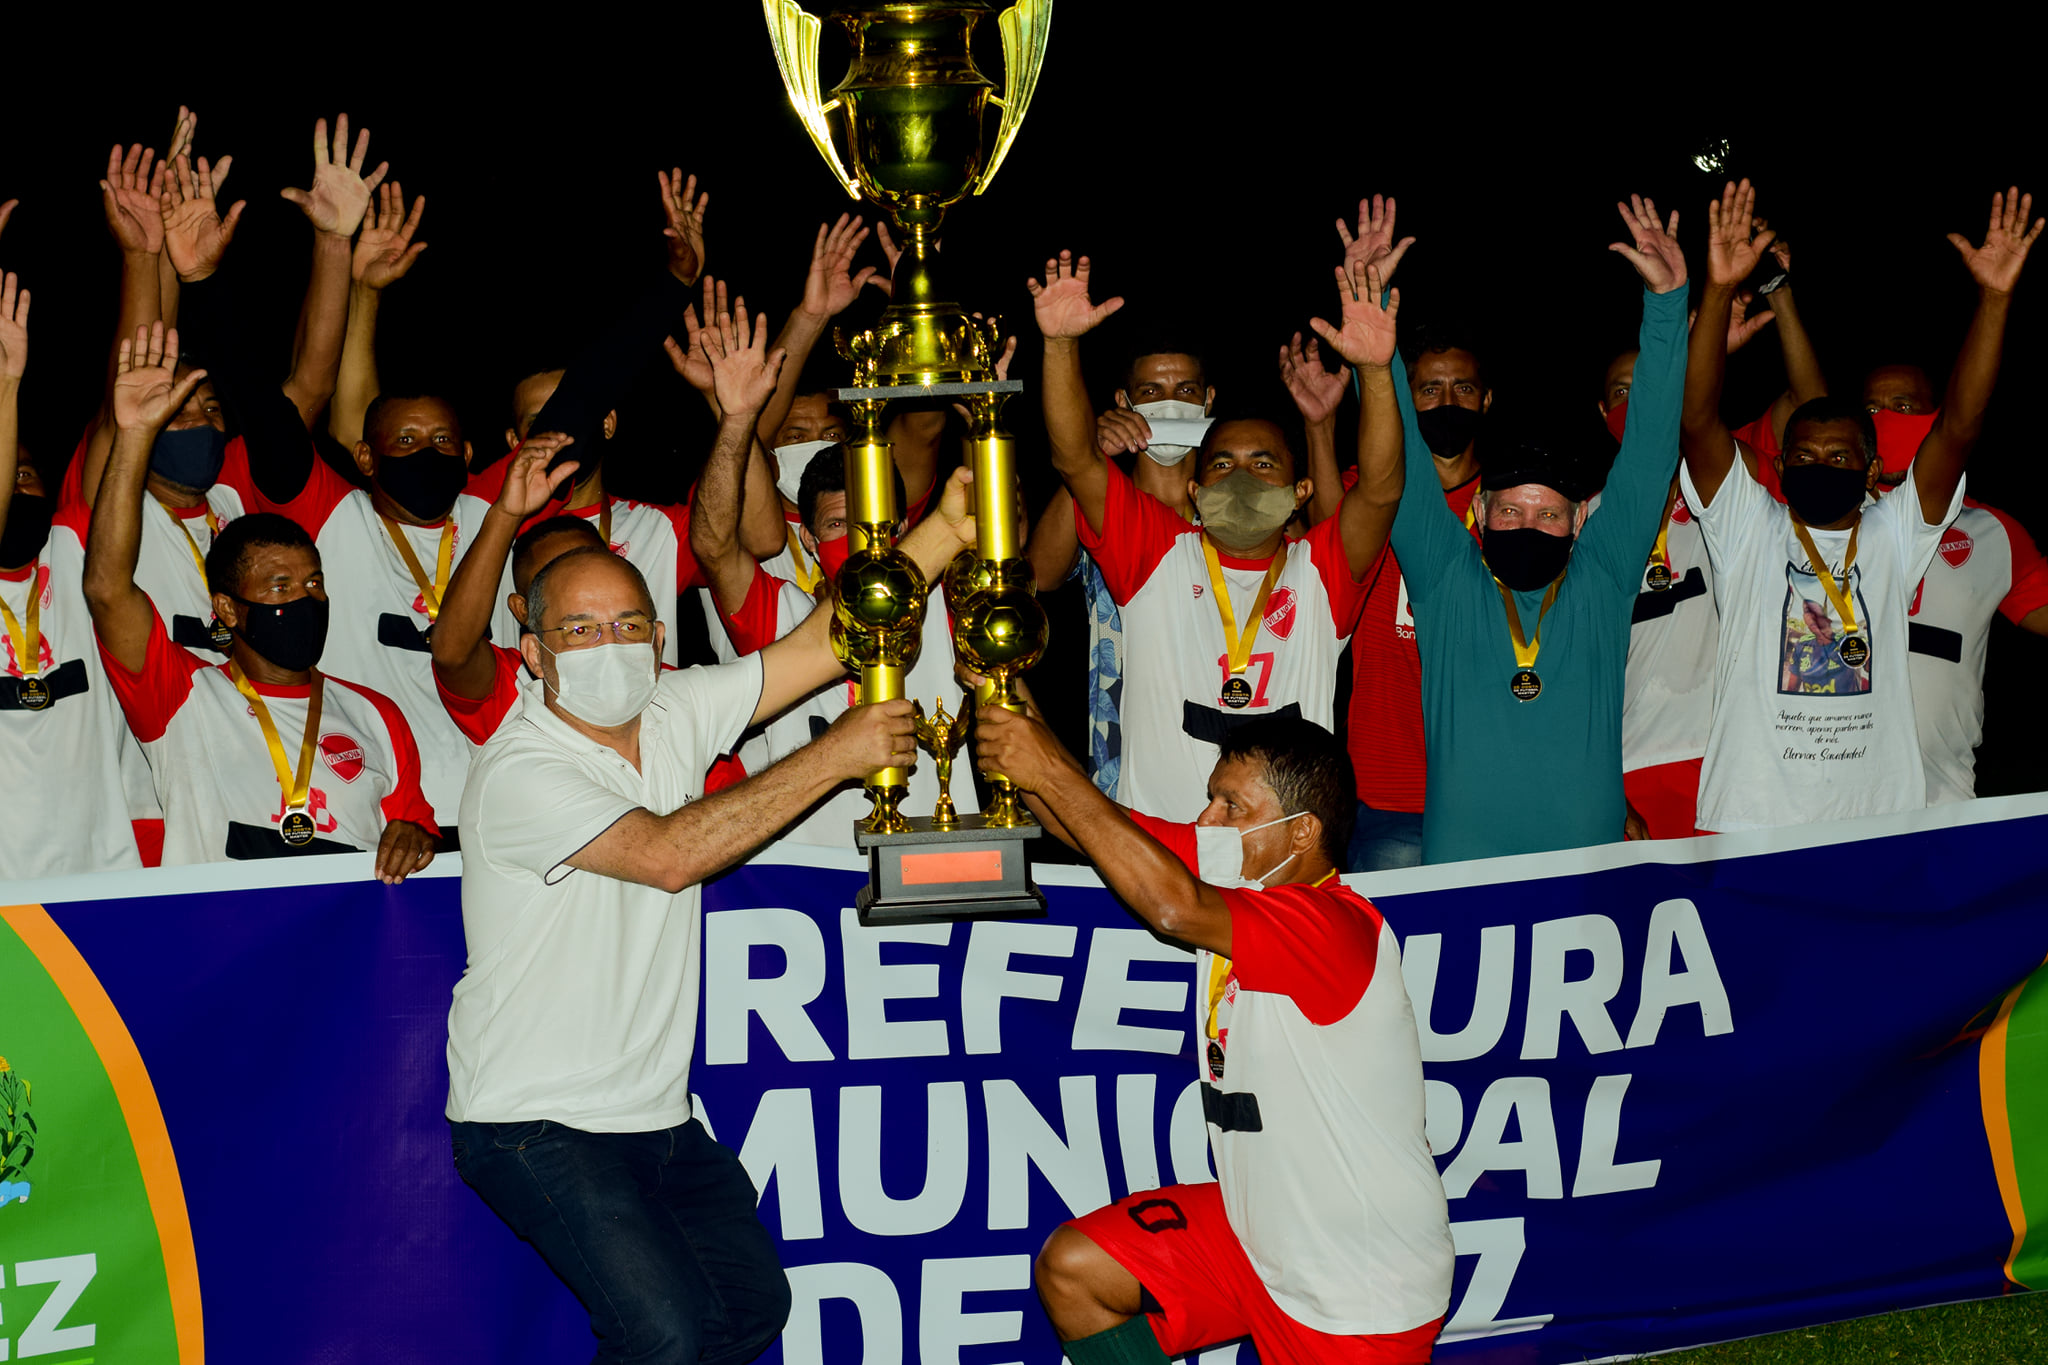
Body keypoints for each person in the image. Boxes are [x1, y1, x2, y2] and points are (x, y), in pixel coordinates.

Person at [444, 452, 984, 1365]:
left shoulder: (673, 707)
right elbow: (668, 854)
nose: (607, 645)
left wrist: (948, 530)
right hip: (534, 1120)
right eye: (577, 629)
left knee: (747, 1307)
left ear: (658, 638)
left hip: (655, 1113)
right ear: (531, 651)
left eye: (626, 624)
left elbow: (823, 644)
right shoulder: (519, 767)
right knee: (663, 1334)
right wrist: (834, 758)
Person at [970, 701, 1451, 1364]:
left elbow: (1171, 905)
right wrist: (1005, 697)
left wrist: (1048, 767)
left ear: (1302, 831)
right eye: (1208, 801)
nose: (1206, 820)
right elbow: (1091, 827)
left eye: (1231, 806)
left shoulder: (1332, 925)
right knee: (1075, 1268)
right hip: (1260, 1233)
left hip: (1357, 1287)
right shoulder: (1241, 868)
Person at [1679, 180, 2039, 832]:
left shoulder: (1896, 531)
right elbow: (1698, 419)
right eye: (1806, 456)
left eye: (1841, 458)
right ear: (1781, 466)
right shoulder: (1745, 529)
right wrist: (1715, 284)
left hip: (1876, 825)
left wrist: (1995, 298)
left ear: (1872, 471)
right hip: (1752, 819)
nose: (1821, 465)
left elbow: (1958, 426)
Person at [1031, 250, 1395, 821]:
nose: (1243, 477)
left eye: (1264, 464)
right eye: (1222, 465)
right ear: (1196, 495)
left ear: (1301, 491)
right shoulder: (1156, 553)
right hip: (1158, 858)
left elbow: (1379, 490)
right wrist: (1058, 346)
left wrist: (1375, 373)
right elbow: (1076, 459)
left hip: (1282, 861)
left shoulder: (1322, 570)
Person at [1386, 195, 1689, 865]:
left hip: (1585, 874)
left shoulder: (1603, 576)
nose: (1529, 525)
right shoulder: (1445, 578)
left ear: (1580, 521)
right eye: (1511, 511)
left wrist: (1667, 306)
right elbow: (1397, 459)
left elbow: (1648, 454)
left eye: (1549, 513)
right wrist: (1374, 346)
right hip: (1462, 872)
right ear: (1478, 515)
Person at [84, 324, 437, 876]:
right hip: (224, 951)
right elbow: (107, 591)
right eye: (280, 587)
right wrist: (132, 436)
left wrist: (415, 839)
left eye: (314, 584)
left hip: (347, 950)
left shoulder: (376, 714)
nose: (305, 598)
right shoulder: (182, 695)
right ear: (226, 609)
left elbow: (415, 831)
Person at [62, 116, 373, 657]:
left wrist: (333, 243)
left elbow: (307, 392)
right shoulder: (113, 497)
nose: (200, 420)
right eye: (178, 410)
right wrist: (144, 255)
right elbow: (132, 387)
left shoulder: (231, 490)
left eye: (210, 407)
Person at [688, 298, 974, 843]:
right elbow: (714, 546)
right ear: (810, 540)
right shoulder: (780, 614)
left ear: (903, 526)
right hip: (808, 875)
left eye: (877, 524)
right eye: (841, 525)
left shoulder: (946, 601)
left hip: (938, 860)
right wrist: (737, 417)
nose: (864, 542)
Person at [0, 276, 157, 876]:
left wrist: (140, 258)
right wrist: (7, 385)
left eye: (27, 474)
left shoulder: (71, 549)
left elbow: (119, 421)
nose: (19, 487)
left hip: (100, 880)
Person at [1025, 326, 1217, 799]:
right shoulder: (1107, 507)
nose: (1169, 404)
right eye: (1151, 392)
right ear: (1124, 401)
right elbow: (1042, 575)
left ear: (1208, 400)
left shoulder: (1243, 511)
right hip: (1126, 751)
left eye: (1185, 391)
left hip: (1229, 733)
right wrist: (1089, 459)